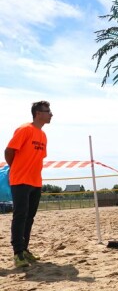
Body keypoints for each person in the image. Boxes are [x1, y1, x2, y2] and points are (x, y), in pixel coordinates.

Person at [4, 101, 52, 268]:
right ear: (38, 113)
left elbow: (38, 158)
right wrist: (15, 169)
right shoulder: (25, 129)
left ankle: (24, 250)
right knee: (20, 216)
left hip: (35, 182)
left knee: (29, 217)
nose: (51, 114)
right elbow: (9, 151)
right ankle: (17, 253)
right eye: (48, 111)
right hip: (20, 180)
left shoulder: (43, 135)